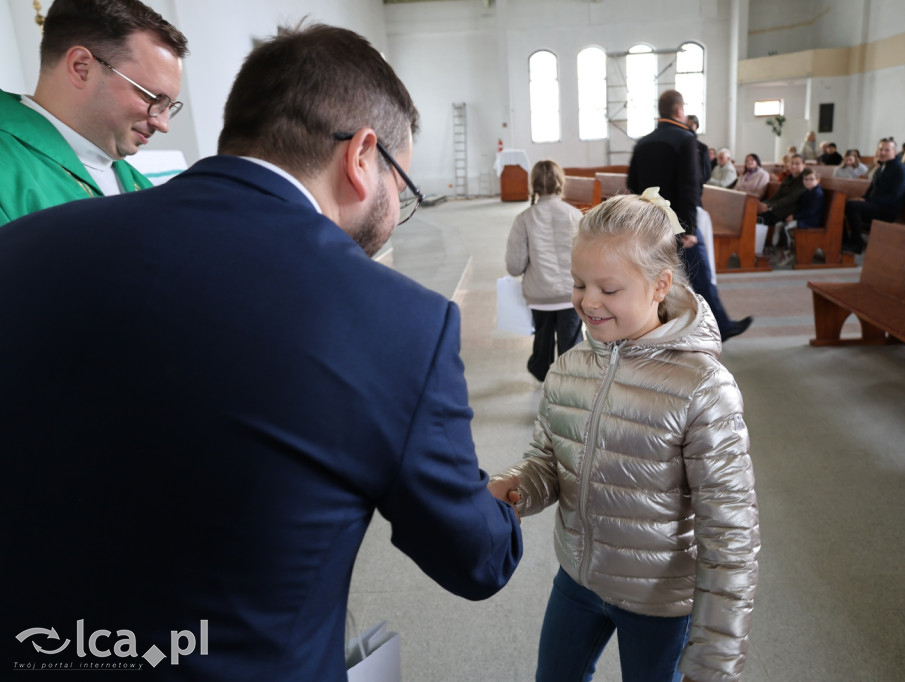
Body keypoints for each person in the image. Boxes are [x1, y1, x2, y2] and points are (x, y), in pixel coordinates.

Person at [0, 25, 523, 679]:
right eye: (402, 187)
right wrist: (510, 498)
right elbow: (476, 560)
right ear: (363, 156)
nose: (396, 211)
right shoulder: (398, 322)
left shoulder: (23, 246)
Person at [489, 191, 759, 682]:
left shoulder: (702, 387)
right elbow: (549, 461)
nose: (588, 301)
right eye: (578, 283)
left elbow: (730, 534)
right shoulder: (570, 368)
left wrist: (715, 657)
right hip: (578, 576)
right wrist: (514, 487)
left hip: (659, 600)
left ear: (660, 285)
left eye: (609, 289)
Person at [0, 0, 188, 225]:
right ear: (82, 68)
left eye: (169, 106)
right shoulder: (8, 164)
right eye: (152, 98)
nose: (163, 125)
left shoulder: (139, 183)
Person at [628, 90, 753, 342]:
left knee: (658, 276)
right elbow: (690, 185)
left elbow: (632, 183)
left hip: (650, 221)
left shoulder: (643, 143)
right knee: (700, 274)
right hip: (677, 223)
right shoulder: (685, 140)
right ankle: (721, 326)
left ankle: (662, 327)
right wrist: (689, 229)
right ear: (679, 110)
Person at [505, 160, 583, 382]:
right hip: (571, 295)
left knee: (543, 338)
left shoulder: (524, 219)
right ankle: (571, 381)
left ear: (534, 185)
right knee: (571, 344)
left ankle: (542, 370)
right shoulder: (575, 215)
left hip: (539, 296)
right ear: (561, 182)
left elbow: (514, 266)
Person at [843, 138, 905, 253]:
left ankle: (856, 244)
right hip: (875, 205)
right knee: (843, 204)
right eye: (880, 149)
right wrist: (863, 198)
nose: (883, 152)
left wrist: (869, 202)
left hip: (888, 210)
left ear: (895, 152)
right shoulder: (882, 167)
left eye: (887, 150)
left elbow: (896, 195)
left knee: (852, 206)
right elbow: (872, 187)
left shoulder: (901, 170)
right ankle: (845, 241)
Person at [771, 169, 826, 268]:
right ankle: (774, 249)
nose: (808, 181)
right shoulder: (807, 191)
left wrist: (795, 217)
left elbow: (812, 211)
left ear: (818, 180)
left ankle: (787, 253)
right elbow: (800, 207)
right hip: (802, 217)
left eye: (811, 179)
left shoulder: (817, 194)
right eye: (805, 179)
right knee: (778, 225)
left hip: (811, 221)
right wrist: (791, 215)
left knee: (785, 228)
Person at [758, 153, 807, 233]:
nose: (793, 166)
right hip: (779, 207)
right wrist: (764, 204)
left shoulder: (805, 179)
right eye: (792, 163)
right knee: (753, 212)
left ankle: (758, 242)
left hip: (791, 210)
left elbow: (791, 198)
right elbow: (778, 195)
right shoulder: (788, 178)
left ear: (804, 165)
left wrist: (769, 206)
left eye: (797, 164)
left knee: (762, 216)